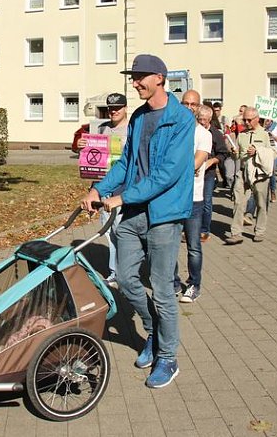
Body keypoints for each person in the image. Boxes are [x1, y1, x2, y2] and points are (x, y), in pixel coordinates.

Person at [81, 53, 194, 389]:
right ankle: (154, 332)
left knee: (162, 290)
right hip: (134, 214)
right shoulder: (140, 117)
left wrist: (122, 197)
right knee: (127, 280)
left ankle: (168, 357)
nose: (134, 83)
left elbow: (167, 173)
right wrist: (99, 188)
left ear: (160, 78)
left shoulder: (181, 119)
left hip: (163, 215)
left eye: (140, 77)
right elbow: (127, 162)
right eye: (133, 77)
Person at [172, 90, 212, 304]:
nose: (189, 108)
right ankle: (174, 283)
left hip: (193, 198)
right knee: (170, 244)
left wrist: (179, 168)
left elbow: (197, 162)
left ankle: (194, 284)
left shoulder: (204, 134)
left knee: (193, 246)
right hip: (172, 197)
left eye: (193, 104)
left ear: (198, 107)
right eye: (185, 103)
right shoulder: (174, 130)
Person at [88, 92, 129, 286]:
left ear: (125, 108)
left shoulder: (132, 129)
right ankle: (115, 272)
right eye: (111, 108)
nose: (113, 111)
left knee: (121, 231)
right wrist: (82, 145)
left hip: (122, 189)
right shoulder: (102, 128)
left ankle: (125, 272)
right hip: (103, 188)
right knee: (109, 231)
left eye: (117, 108)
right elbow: (92, 157)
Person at [224, 107, 274, 244]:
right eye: (244, 120)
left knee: (261, 203)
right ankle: (236, 233)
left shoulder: (266, 134)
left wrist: (258, 151)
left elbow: (273, 153)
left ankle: (260, 231)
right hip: (243, 171)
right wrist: (234, 153)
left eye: (249, 120)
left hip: (259, 173)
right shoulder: (242, 134)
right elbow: (237, 155)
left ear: (257, 119)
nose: (246, 122)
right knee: (238, 201)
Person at [198, 104, 228, 244]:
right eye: (199, 119)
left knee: (206, 202)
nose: (202, 122)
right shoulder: (194, 131)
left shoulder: (215, 134)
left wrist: (212, 161)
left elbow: (223, 153)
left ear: (210, 119)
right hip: (194, 173)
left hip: (208, 174)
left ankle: (204, 230)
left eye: (204, 119)